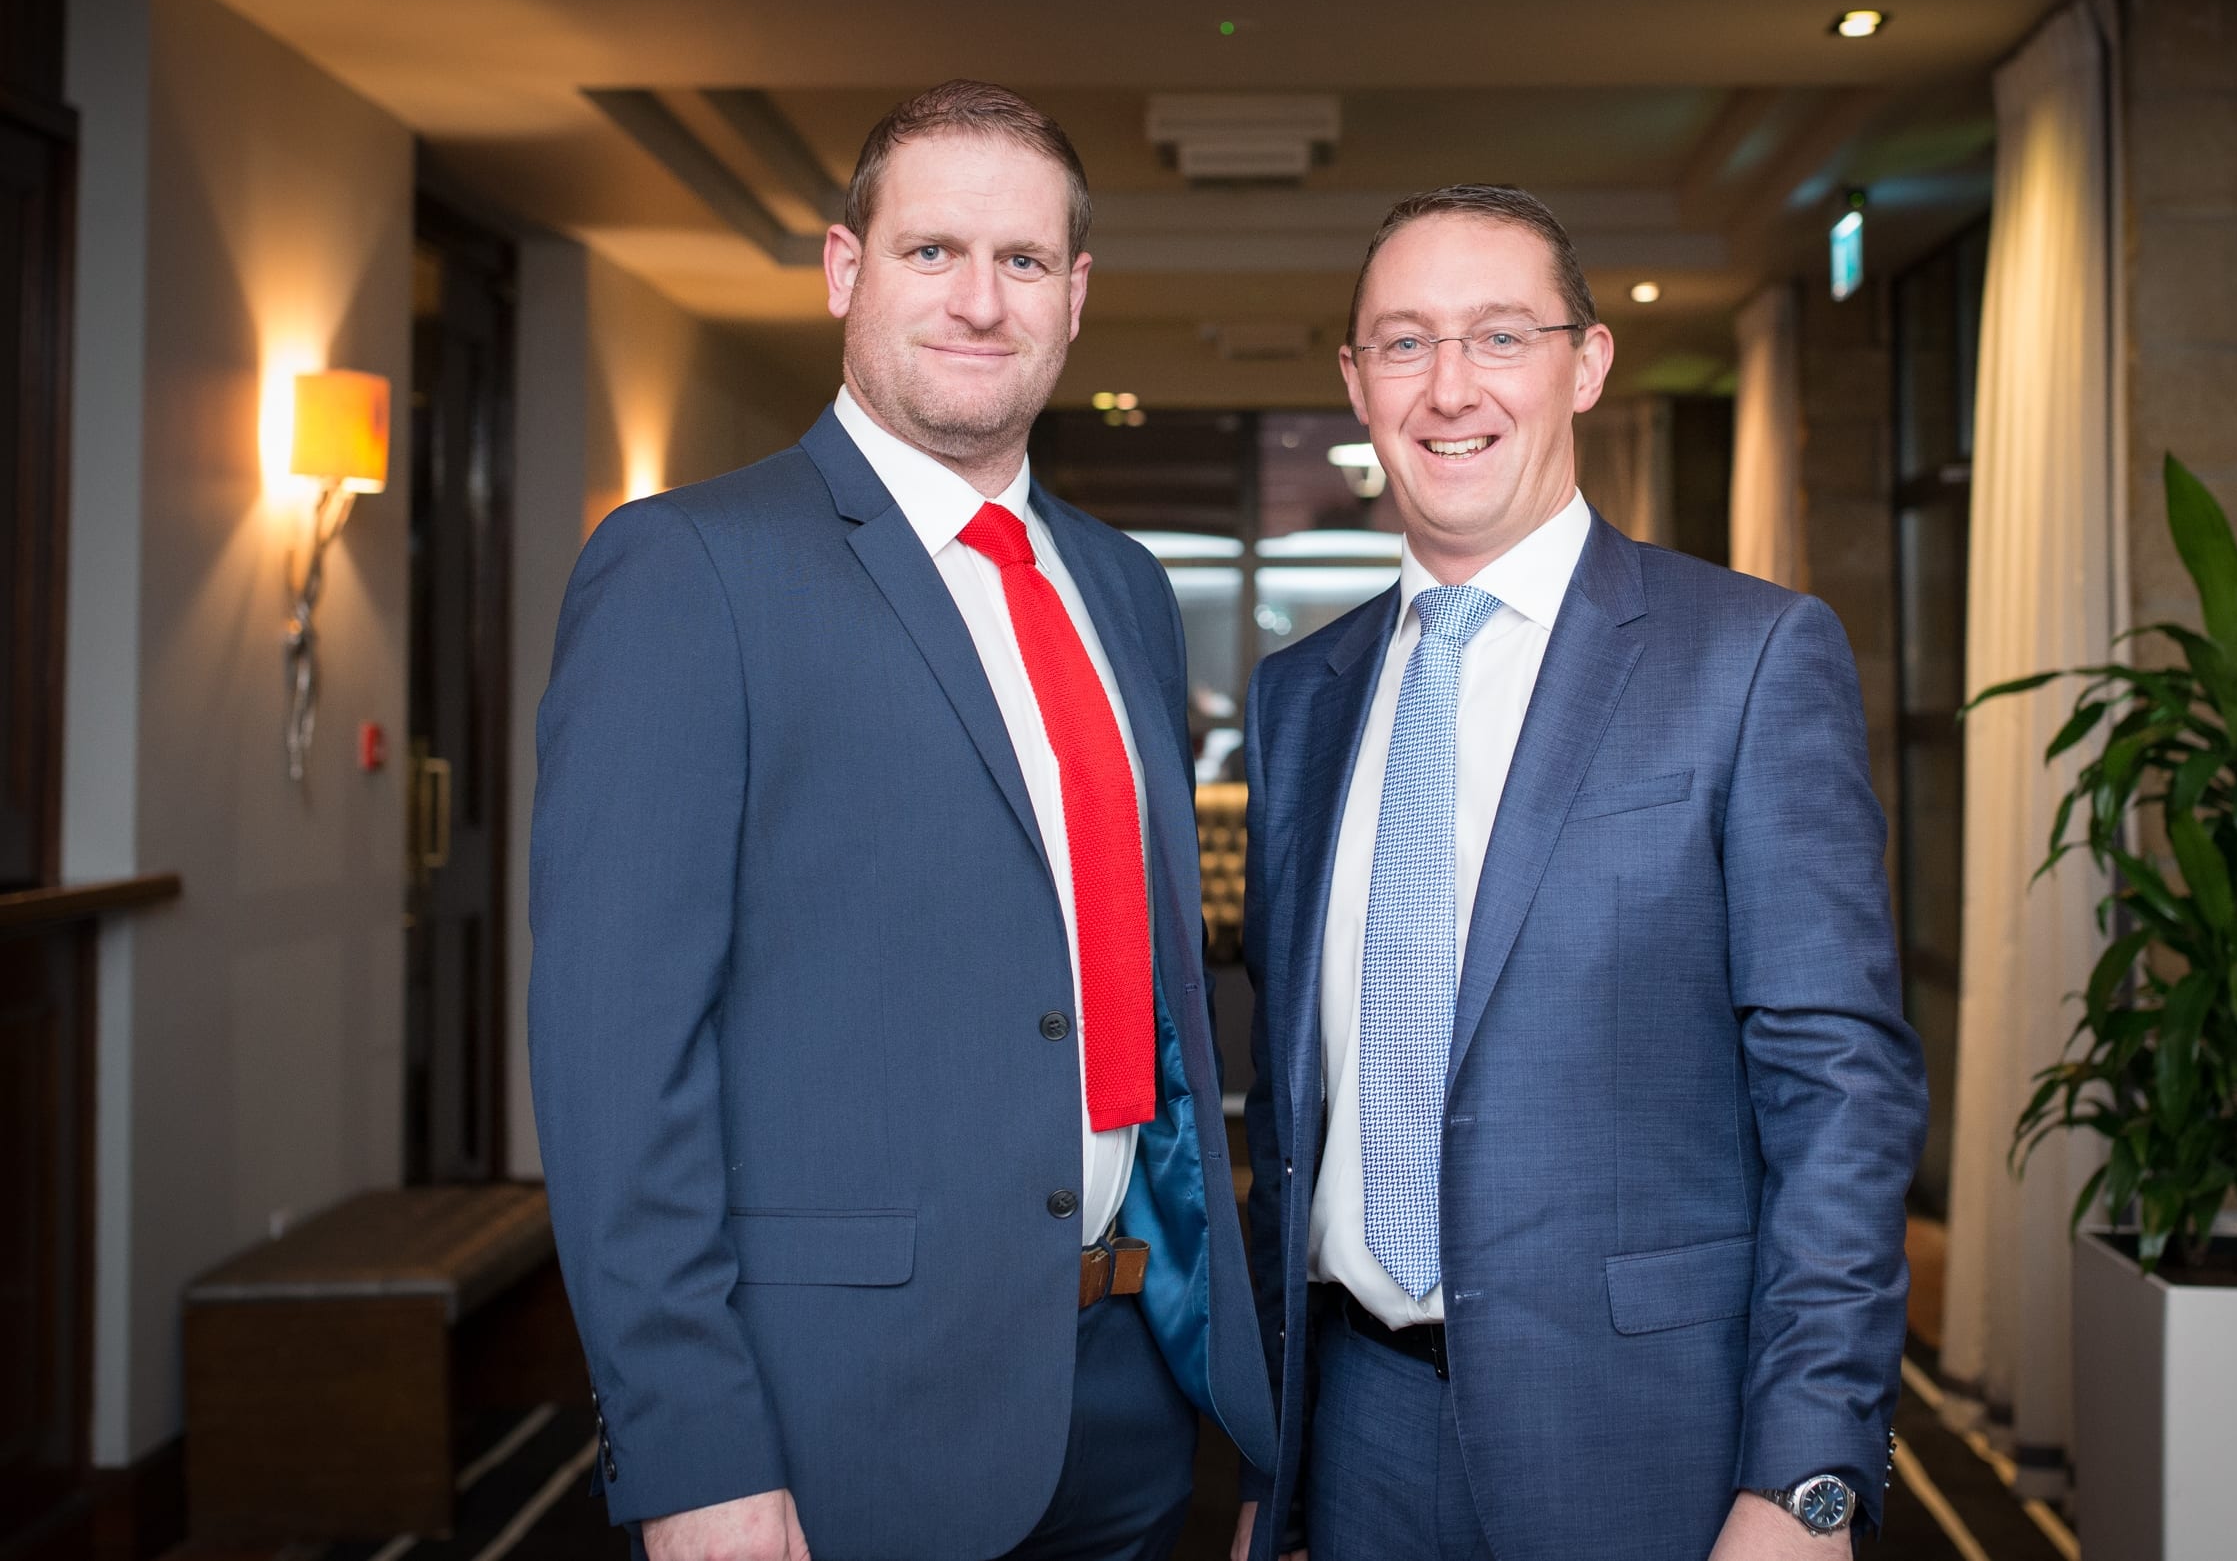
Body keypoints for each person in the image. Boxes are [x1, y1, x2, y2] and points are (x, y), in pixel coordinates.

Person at [531, 80, 1273, 1561]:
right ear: (844, 272)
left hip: (1131, 1395)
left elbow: (1152, 1008)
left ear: (1074, 298)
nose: (978, 301)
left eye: (1020, 263)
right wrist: (693, 1454)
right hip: (833, 1421)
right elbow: (618, 1065)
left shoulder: (1123, 585)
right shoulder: (689, 570)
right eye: (933, 251)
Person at [1232, 185, 1926, 1561]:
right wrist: (1280, 1458)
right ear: (1357, 382)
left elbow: (1838, 1093)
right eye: (1407, 343)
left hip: (1657, 1443)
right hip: (1356, 1427)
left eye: (1499, 336)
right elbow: (1295, 1097)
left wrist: (1806, 1476)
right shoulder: (1299, 697)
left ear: (1587, 362)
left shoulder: (1748, 657)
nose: (1449, 389)